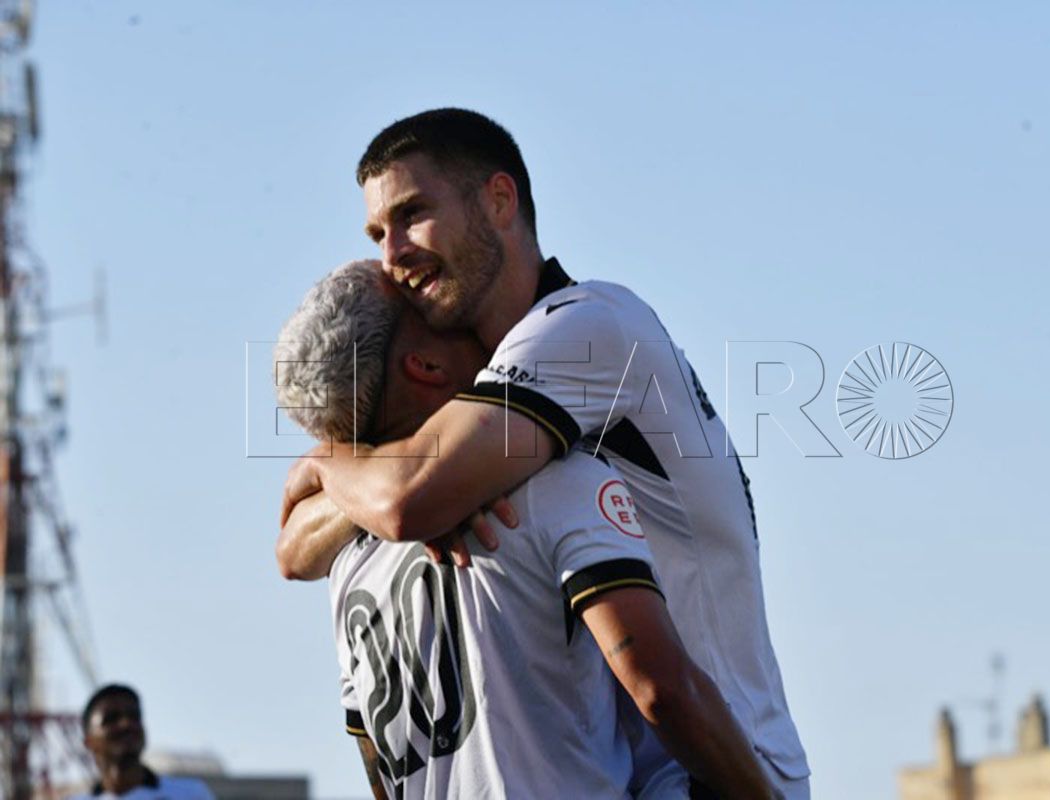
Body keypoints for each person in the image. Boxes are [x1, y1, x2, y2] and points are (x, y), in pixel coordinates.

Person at [280, 108, 811, 796]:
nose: (393, 255)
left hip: (720, 766)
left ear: (500, 200)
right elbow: (295, 547)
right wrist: (352, 477)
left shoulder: (584, 326)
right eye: (378, 233)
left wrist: (327, 466)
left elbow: (406, 499)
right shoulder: (496, 391)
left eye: (412, 214)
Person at [69, 684, 214, 800]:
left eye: (134, 716)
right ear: (89, 742)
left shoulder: (191, 794)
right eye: (111, 719)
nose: (126, 724)